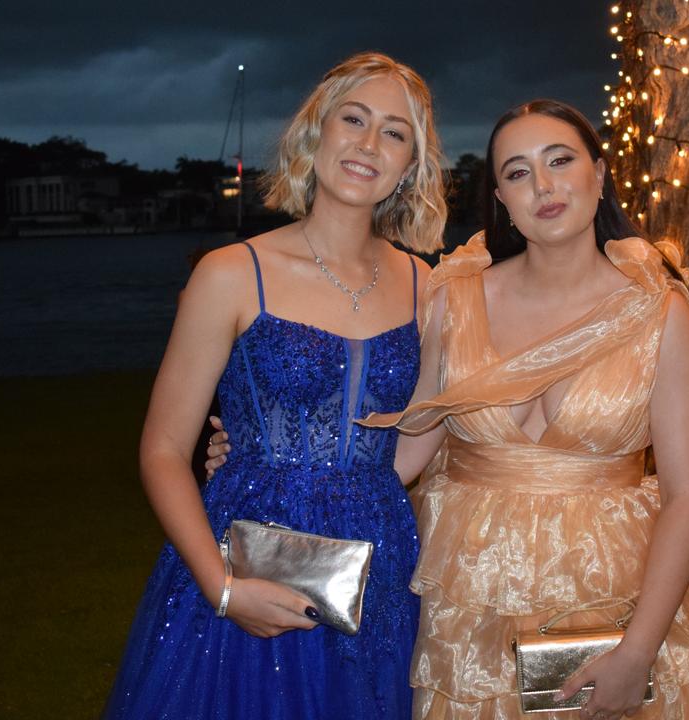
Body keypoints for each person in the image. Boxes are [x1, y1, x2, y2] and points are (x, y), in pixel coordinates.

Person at [208, 100, 689, 720]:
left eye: (560, 161)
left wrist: (638, 651)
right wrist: (267, 453)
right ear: (502, 198)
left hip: (622, 590)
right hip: (470, 601)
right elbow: (401, 457)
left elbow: (687, 494)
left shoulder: (658, 311)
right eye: (518, 173)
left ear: (599, 176)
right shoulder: (456, 299)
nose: (543, 186)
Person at [103, 52, 446, 719]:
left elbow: (404, 451)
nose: (369, 144)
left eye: (395, 132)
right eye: (355, 118)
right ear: (317, 128)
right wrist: (224, 588)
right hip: (245, 562)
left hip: (379, 573)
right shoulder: (231, 273)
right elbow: (164, 450)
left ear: (413, 164)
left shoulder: (428, 287)